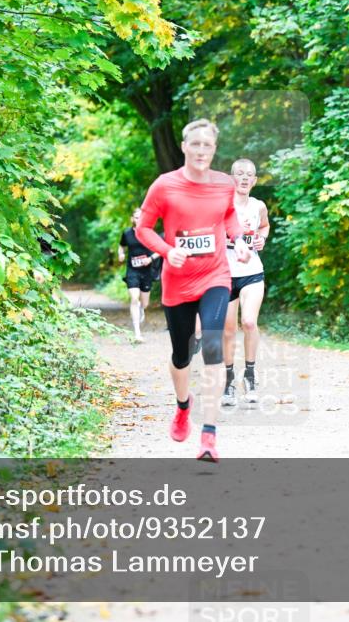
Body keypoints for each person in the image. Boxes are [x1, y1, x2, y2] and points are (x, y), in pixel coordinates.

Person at [135, 119, 251, 462]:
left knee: (213, 347)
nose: (201, 150)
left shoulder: (224, 184)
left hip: (215, 275)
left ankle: (209, 435)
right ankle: (183, 406)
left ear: (214, 149)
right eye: (196, 144)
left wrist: (239, 240)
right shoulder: (164, 186)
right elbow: (144, 229)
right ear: (184, 147)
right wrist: (167, 250)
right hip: (178, 281)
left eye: (208, 145)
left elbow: (229, 216)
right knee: (181, 356)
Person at [221, 158, 270, 406]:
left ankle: (250, 375)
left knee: (249, 322)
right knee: (228, 330)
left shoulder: (258, 205)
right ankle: (229, 380)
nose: (244, 178)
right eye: (239, 173)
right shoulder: (222, 205)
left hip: (252, 272)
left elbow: (265, 226)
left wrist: (261, 239)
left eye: (249, 174)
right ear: (232, 178)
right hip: (225, 273)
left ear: (255, 180)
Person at [117, 207, 160, 342]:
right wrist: (121, 254)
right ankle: (137, 333)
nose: (139, 219)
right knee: (134, 298)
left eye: (141, 217)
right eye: (137, 217)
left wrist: (150, 259)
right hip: (132, 270)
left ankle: (142, 309)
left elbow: (160, 249)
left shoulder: (150, 233)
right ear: (132, 219)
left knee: (145, 303)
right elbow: (121, 246)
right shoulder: (127, 233)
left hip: (146, 271)